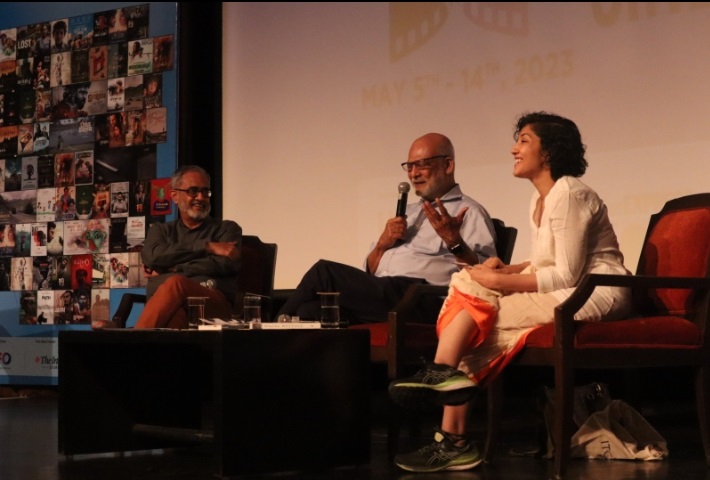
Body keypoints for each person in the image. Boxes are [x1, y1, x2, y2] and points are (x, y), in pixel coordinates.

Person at [388, 112, 633, 473]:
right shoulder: (542, 199)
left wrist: (501, 283)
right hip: (569, 290)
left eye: (523, 141)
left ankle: (447, 410)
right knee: (470, 281)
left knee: (475, 317)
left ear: (548, 151)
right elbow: (545, 262)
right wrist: (505, 271)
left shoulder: (569, 194)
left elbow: (566, 274)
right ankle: (446, 392)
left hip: (595, 293)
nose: (513, 149)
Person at [277, 133, 497, 325]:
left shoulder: (469, 212)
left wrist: (454, 241)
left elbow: (486, 275)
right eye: (409, 167)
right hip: (387, 294)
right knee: (311, 311)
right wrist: (382, 246)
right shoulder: (408, 212)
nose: (413, 174)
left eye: (422, 164)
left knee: (324, 272)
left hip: (424, 299)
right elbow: (370, 273)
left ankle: (269, 331)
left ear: (447, 165)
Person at [131, 165, 241, 329]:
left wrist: (171, 268)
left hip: (214, 303)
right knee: (176, 316)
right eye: (193, 191)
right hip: (172, 305)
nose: (201, 197)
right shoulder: (161, 230)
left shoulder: (226, 229)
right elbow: (152, 257)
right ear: (175, 196)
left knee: (177, 283)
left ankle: (132, 342)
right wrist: (207, 247)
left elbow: (223, 264)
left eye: (205, 192)